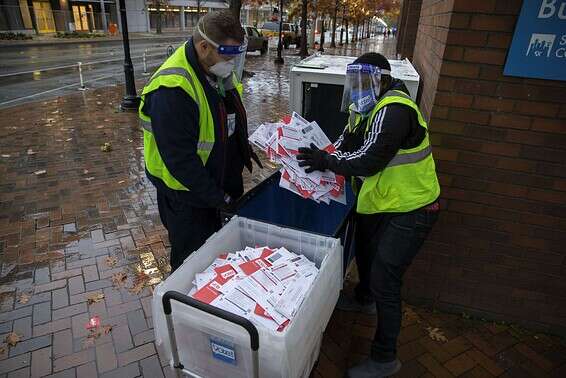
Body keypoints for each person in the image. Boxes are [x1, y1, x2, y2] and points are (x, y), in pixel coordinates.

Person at [297, 53, 440, 377]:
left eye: (363, 82)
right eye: (354, 82)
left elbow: (367, 160)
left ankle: (385, 357)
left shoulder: (395, 111)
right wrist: (317, 152)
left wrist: (326, 162)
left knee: (385, 279)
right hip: (382, 202)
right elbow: (345, 143)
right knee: (364, 251)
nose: (357, 89)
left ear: (382, 80)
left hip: (413, 208)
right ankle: (364, 298)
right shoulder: (364, 109)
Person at [139, 10, 260, 272]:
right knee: (191, 264)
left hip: (217, 185)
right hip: (189, 197)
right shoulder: (172, 89)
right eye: (228, 53)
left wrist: (243, 147)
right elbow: (181, 162)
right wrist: (219, 198)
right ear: (204, 46)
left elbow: (227, 113)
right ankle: (186, 310)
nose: (233, 60)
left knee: (220, 254)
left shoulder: (214, 67)